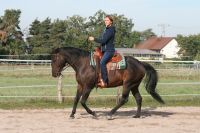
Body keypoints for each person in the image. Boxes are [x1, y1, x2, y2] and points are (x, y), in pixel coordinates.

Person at [88, 15, 116, 87]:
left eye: (107, 20)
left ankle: (105, 81)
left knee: (102, 62)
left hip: (109, 51)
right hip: (104, 50)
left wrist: (94, 39)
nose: (105, 22)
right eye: (105, 20)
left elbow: (103, 40)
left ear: (111, 21)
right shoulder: (106, 29)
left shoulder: (111, 30)